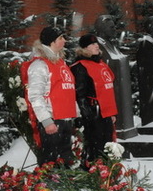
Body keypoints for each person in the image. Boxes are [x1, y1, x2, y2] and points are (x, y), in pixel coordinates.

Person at [24, 26, 79, 167]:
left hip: (65, 118)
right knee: (51, 162)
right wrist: (46, 120)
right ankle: (48, 188)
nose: (64, 41)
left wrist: (75, 113)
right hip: (52, 120)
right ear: (52, 42)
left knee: (65, 160)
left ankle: (65, 187)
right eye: (61, 38)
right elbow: (35, 95)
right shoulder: (40, 65)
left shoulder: (61, 63)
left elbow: (68, 90)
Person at [70, 33, 118, 165]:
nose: (96, 46)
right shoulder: (80, 67)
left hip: (105, 113)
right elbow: (79, 93)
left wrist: (112, 112)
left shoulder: (101, 64)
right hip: (93, 112)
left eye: (96, 43)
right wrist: (86, 114)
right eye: (92, 44)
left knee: (107, 146)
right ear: (84, 48)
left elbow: (108, 90)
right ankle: (94, 171)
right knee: (95, 147)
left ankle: (106, 172)